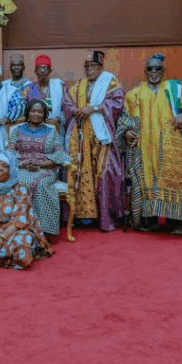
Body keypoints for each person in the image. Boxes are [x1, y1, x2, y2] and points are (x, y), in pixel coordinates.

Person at [118, 53, 182, 235]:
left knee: (173, 181)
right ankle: (150, 220)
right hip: (145, 149)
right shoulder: (134, 94)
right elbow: (125, 119)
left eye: (158, 68)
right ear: (145, 71)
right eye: (150, 69)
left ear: (164, 70)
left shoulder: (175, 89)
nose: (154, 72)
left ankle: (175, 223)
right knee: (148, 184)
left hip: (173, 146)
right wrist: (126, 132)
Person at [64, 50, 125, 232]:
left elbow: (117, 104)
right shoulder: (78, 86)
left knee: (107, 174)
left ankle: (107, 217)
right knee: (80, 173)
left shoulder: (110, 83)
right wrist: (75, 111)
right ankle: (85, 216)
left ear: (101, 68)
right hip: (81, 137)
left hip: (102, 138)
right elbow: (67, 103)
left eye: (93, 67)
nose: (89, 70)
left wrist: (94, 108)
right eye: (87, 67)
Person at [6, 99, 70, 236]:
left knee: (40, 184)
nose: (36, 114)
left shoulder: (51, 132)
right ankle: (20, 226)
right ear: (28, 113)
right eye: (33, 111)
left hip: (47, 169)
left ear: (44, 114)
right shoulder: (17, 131)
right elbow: (9, 154)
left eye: (40, 112)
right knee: (20, 183)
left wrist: (40, 164)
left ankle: (45, 229)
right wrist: (22, 164)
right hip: (22, 167)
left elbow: (60, 154)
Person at [23, 54, 69, 135]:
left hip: (56, 129)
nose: (42, 71)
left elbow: (67, 107)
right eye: (39, 68)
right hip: (34, 130)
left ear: (50, 71)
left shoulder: (59, 86)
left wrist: (58, 119)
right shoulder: (28, 88)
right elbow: (23, 111)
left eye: (45, 68)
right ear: (35, 71)